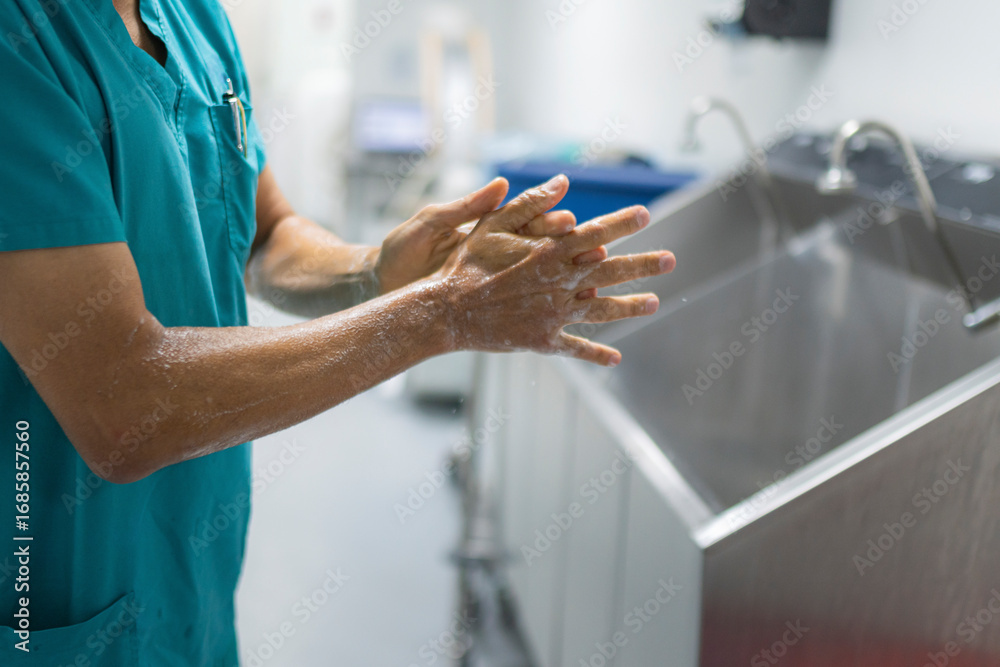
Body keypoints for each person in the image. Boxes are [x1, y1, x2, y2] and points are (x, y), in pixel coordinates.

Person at [0, 0, 675, 663]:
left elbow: (265, 236)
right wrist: (441, 311)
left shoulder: (191, 16)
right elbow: (122, 402)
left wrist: (377, 269)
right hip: (53, 597)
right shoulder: (20, 41)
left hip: (189, 587)